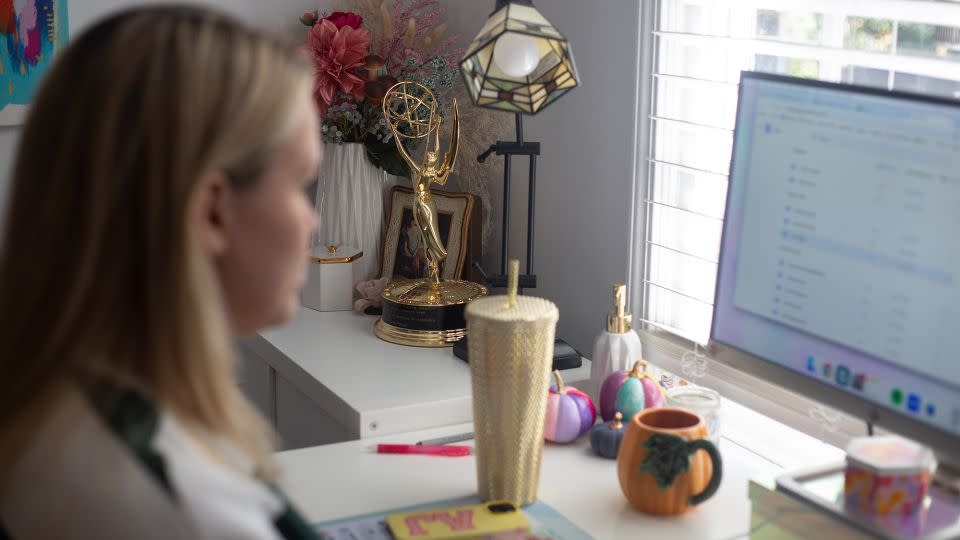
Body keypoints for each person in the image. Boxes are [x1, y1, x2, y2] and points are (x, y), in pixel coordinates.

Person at [0, 6, 322, 539]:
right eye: (300, 185)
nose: (311, 222)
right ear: (212, 211)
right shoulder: (189, 515)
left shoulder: (53, 399)